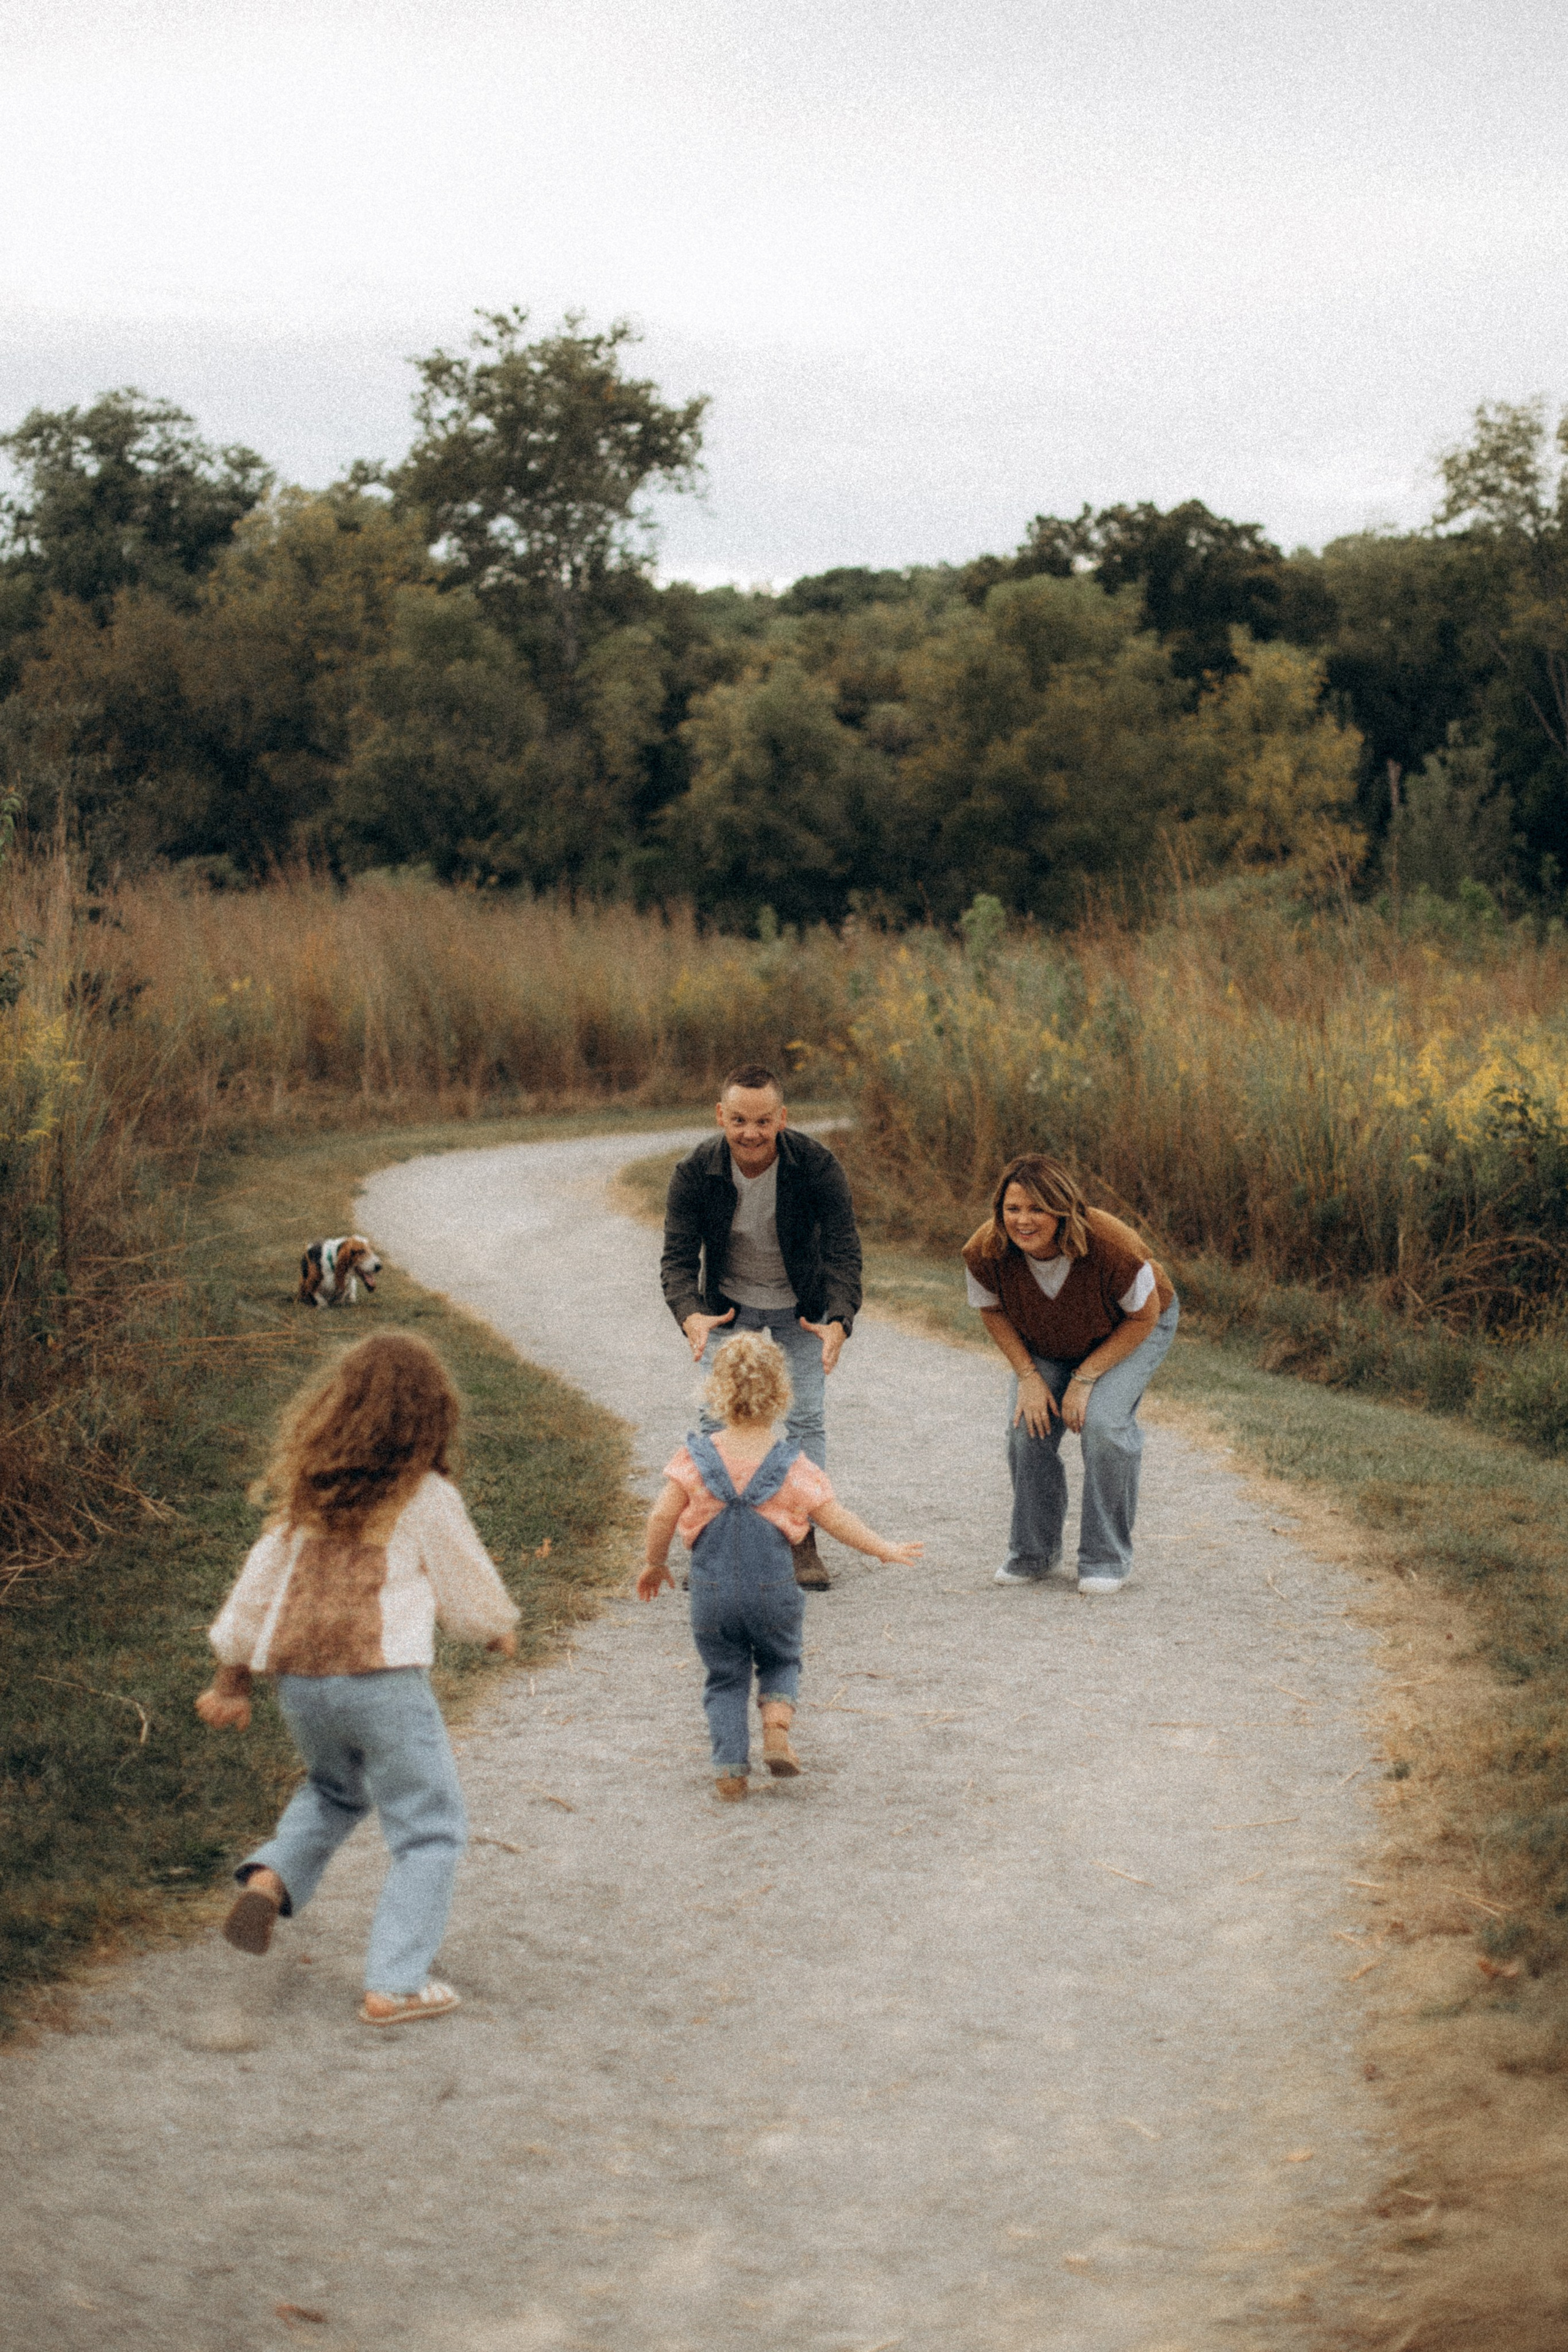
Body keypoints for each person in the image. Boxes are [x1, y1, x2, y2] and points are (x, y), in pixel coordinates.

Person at [194, 1332, 520, 2027]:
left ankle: (270, 1876)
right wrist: (493, 1625)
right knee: (429, 1827)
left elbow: (256, 1591)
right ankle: (396, 1983)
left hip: (303, 1685)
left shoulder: (308, 1500)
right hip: (383, 1685)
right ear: (432, 1417)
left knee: (333, 1791)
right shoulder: (423, 1495)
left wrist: (231, 1678)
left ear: (335, 1410)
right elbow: (465, 1575)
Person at [638, 1331, 922, 1799]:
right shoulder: (792, 1464)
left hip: (711, 1597)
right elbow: (835, 1518)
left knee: (725, 1677)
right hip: (774, 1594)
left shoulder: (695, 1457)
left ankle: (730, 1771)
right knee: (781, 1659)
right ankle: (776, 1733)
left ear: (715, 1393)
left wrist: (654, 1563)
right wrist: (882, 1548)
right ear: (782, 1394)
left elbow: (662, 1514)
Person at [661, 1061, 863, 1591]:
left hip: (802, 1306)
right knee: (714, 1418)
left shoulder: (817, 1166)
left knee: (805, 1416)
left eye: (764, 1121)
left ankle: (801, 1538)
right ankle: (713, 1539)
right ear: (721, 1116)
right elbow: (678, 1259)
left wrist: (839, 1319)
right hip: (725, 1305)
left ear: (783, 1118)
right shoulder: (694, 1171)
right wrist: (691, 1315)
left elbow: (843, 1249)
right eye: (739, 1121)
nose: (751, 1133)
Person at [962, 1154, 1178, 1594]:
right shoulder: (985, 1250)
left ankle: (1105, 1558)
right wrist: (1027, 1376)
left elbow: (1145, 1316)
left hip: (1131, 1327)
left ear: (1063, 1208)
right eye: (1013, 1208)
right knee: (1028, 1428)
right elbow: (992, 1310)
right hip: (1048, 1335)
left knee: (1103, 1424)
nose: (1023, 1221)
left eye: (1037, 1209)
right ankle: (1033, 1554)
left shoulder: (1112, 1245)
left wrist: (1083, 1381)